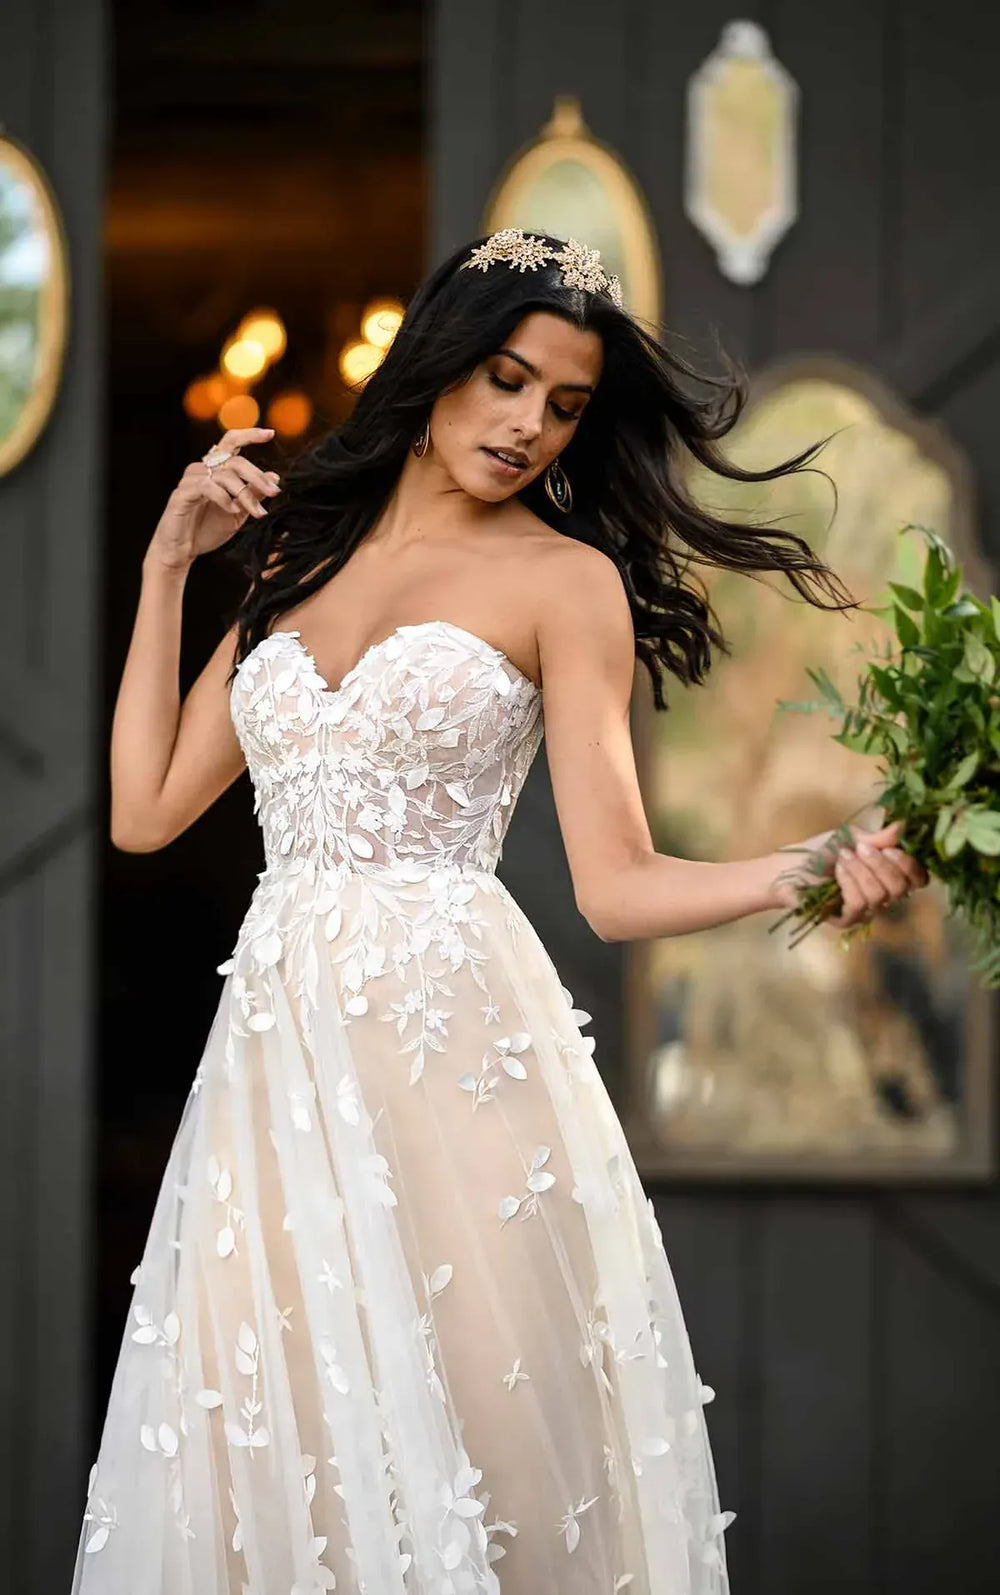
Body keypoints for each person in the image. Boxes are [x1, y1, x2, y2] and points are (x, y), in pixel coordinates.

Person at [73, 229, 927, 1595]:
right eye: (508, 380)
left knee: (493, 1466)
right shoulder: (298, 560)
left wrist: (804, 865)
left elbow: (619, 883)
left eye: (566, 405)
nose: (530, 425)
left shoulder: (563, 582)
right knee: (273, 1461)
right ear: (440, 364)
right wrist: (166, 567)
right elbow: (144, 809)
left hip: (459, 1065)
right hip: (278, 1077)